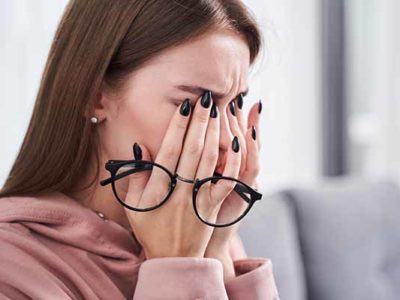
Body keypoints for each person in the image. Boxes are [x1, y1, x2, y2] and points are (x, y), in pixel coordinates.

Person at [0, 0, 280, 299]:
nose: (226, 140)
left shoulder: (205, 233)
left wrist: (219, 250)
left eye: (235, 105)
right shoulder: (11, 267)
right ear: (95, 95)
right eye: (198, 104)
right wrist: (177, 266)